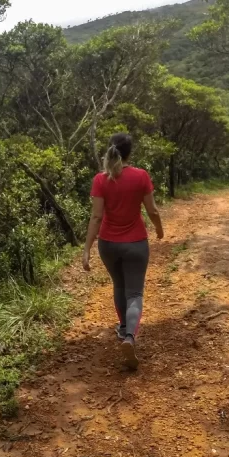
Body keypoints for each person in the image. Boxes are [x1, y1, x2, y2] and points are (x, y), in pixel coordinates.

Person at [82, 132, 164, 370]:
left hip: (108, 243)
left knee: (119, 287)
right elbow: (153, 210)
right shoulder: (141, 176)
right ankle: (129, 337)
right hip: (136, 243)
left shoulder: (100, 179)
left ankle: (124, 329)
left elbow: (96, 216)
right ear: (130, 152)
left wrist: (87, 248)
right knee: (135, 293)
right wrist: (159, 229)